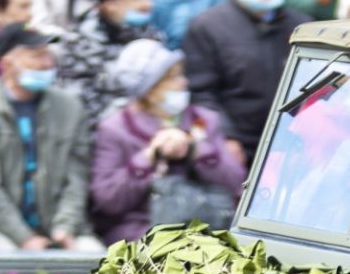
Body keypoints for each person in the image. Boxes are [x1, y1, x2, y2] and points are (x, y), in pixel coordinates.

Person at [89, 37, 243, 241]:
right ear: (149, 91)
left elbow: (237, 183)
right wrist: (148, 157)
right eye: (172, 78)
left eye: (181, 74)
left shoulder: (205, 119)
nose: (184, 82)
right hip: (142, 232)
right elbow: (108, 200)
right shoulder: (115, 129)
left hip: (207, 225)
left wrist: (196, 150)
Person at [0, 21, 97, 250]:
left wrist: (65, 228)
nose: (46, 64)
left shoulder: (70, 108)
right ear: (6, 64)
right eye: (35, 56)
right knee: (4, 262)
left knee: (95, 259)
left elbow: (78, 175)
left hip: (64, 227)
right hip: (2, 230)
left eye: (48, 55)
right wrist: (23, 237)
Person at [181, 0, 304, 161]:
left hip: (289, 144)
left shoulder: (301, 27)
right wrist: (225, 136)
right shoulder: (208, 26)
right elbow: (201, 92)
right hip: (236, 145)